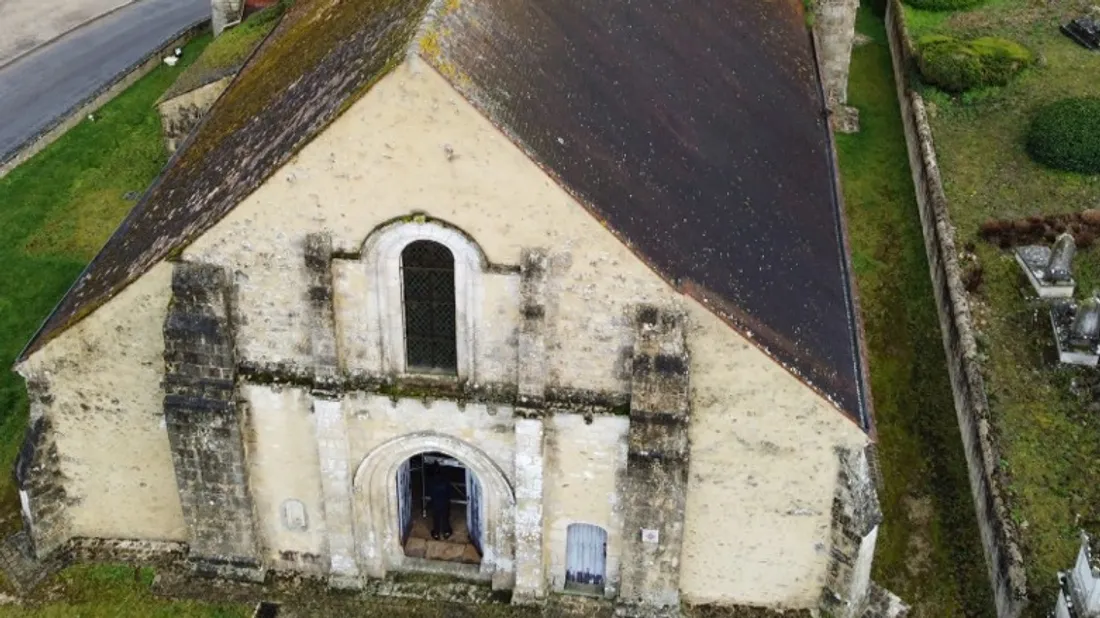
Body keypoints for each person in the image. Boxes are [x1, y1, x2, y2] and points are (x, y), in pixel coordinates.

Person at [427, 463, 453, 540]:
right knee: (445, 517)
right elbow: (449, 491)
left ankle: (436, 533)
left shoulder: (431, 481)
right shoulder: (445, 480)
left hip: (435, 502)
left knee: (436, 518)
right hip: (445, 501)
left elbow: (429, 491)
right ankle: (446, 532)